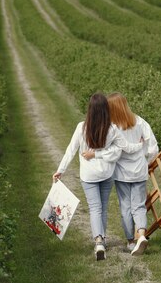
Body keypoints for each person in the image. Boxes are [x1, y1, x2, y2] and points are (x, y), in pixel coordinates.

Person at [53, 93, 143, 261]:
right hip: (107, 174)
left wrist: (60, 170)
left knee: (95, 208)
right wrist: (140, 144)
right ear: (105, 110)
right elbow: (127, 148)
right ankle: (103, 238)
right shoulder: (112, 129)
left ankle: (99, 241)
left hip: (89, 176)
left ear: (90, 109)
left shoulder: (81, 127)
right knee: (103, 207)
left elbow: (70, 151)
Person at [84, 92, 158, 256]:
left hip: (121, 173)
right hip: (139, 170)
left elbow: (105, 150)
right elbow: (153, 147)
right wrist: (147, 161)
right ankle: (141, 233)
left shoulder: (111, 128)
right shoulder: (139, 121)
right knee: (138, 206)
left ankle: (131, 241)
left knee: (125, 207)